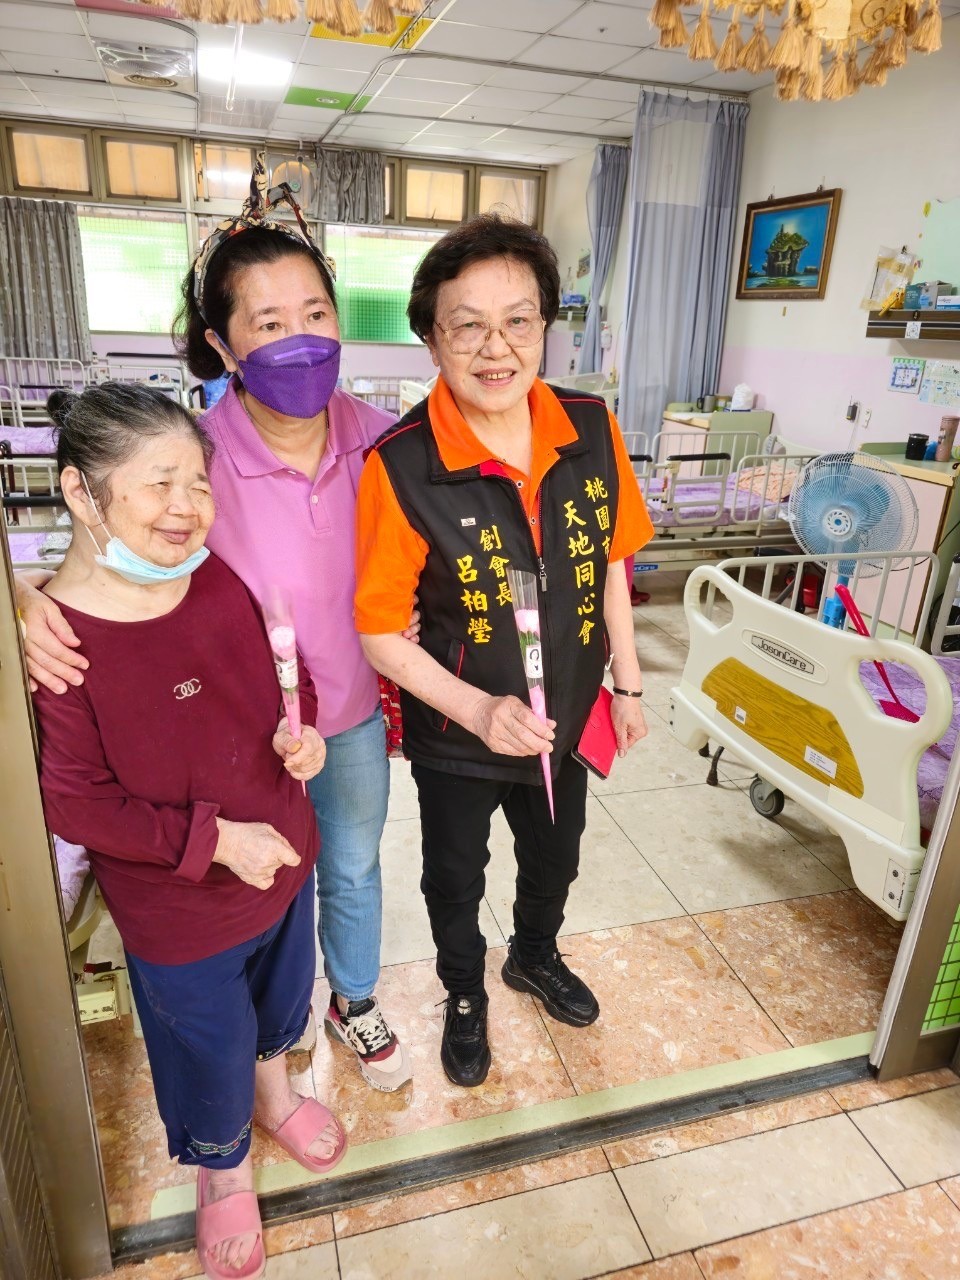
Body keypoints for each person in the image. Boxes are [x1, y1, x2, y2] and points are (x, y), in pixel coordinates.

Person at [16, 157, 412, 1093]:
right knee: (265, 882)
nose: (299, 340)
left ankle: (353, 1000)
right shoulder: (194, 456)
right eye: (267, 324)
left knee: (353, 867)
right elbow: (104, 542)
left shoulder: (386, 439)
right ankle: (270, 1039)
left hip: (348, 711)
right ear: (223, 346)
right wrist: (24, 596)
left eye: (316, 314)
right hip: (242, 728)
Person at [33, 383, 343, 1280]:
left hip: (282, 861)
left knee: (280, 1005)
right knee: (208, 1040)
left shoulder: (212, 576)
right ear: (81, 491)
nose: (186, 507)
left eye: (198, 484)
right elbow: (79, 804)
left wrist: (302, 731)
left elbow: (284, 674)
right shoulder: (59, 638)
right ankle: (222, 1167)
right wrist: (216, 844)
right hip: (182, 909)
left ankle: (275, 1098)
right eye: (159, 483)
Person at [355, 214, 654, 1088]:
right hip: (460, 731)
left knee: (556, 857)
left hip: (568, 717)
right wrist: (479, 710)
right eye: (468, 325)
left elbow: (610, 561)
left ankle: (533, 954)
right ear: (431, 338)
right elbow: (378, 631)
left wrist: (629, 685)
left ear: (546, 326)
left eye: (519, 321)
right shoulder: (400, 465)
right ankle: (462, 992)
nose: (498, 348)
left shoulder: (590, 426)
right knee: (454, 874)